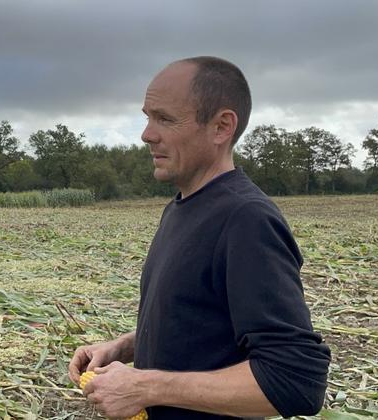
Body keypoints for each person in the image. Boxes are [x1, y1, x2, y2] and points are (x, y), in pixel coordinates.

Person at [68, 56, 331, 419]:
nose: (147, 134)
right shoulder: (182, 207)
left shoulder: (245, 219)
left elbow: (295, 380)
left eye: (165, 119)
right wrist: (125, 348)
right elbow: (201, 324)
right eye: (147, 116)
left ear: (222, 127)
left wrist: (145, 385)